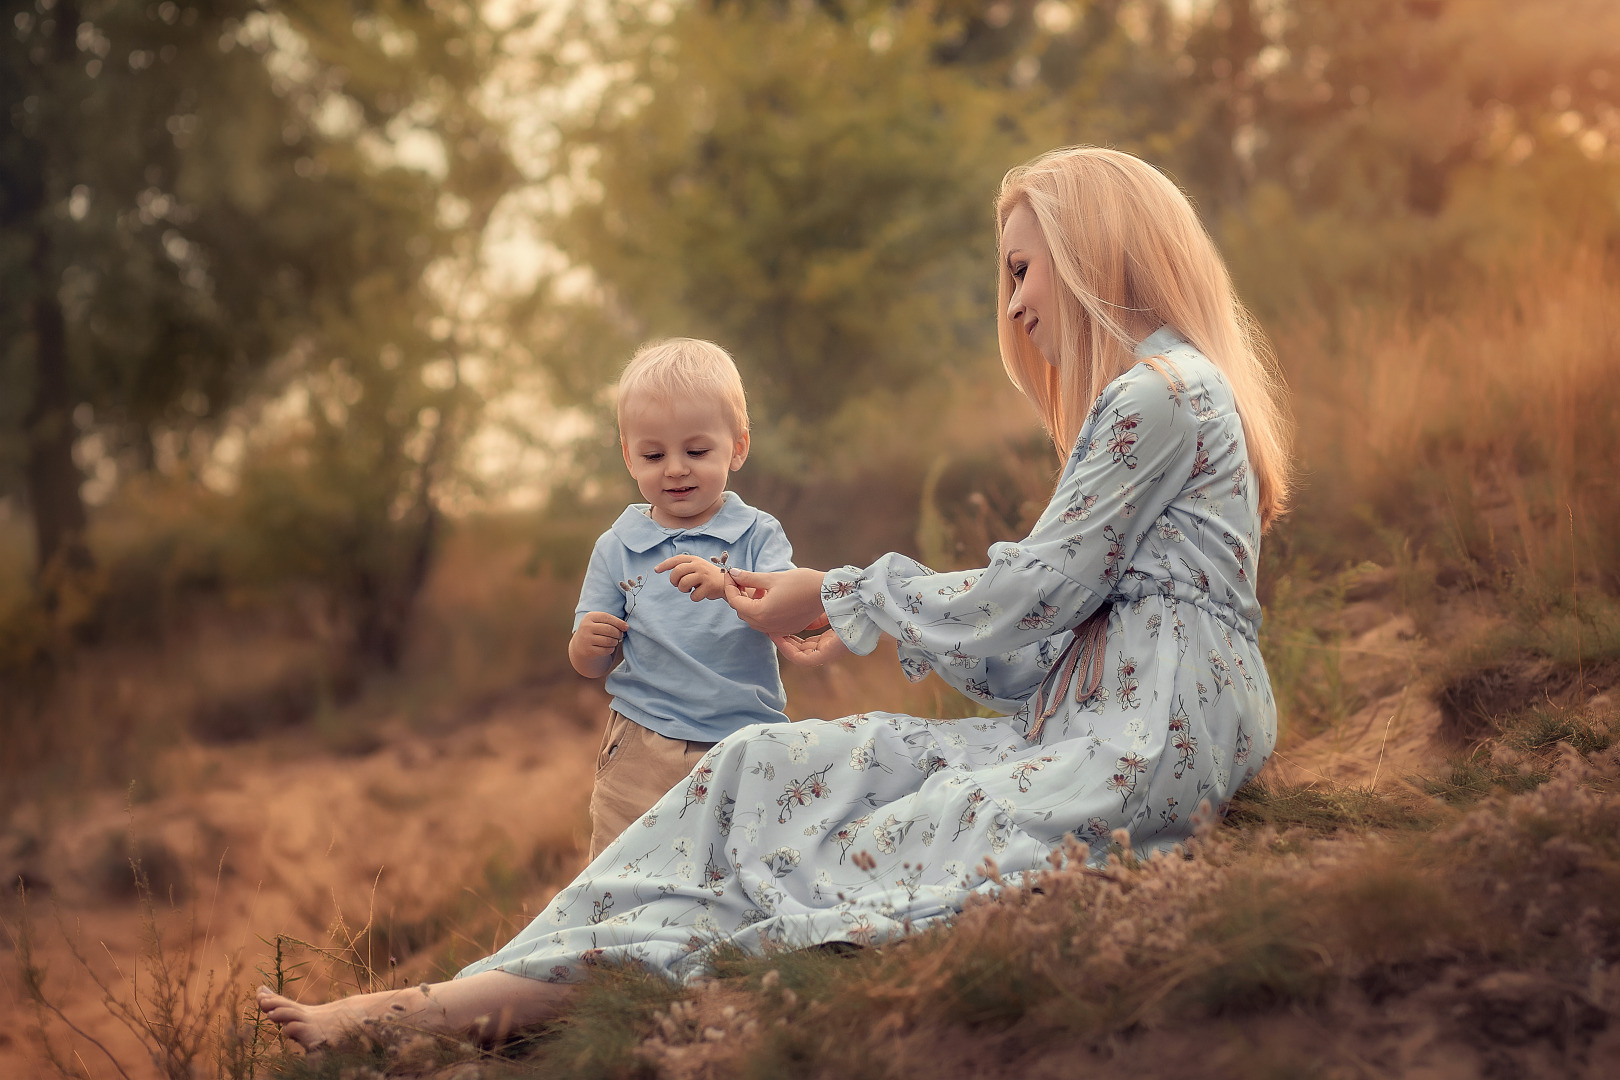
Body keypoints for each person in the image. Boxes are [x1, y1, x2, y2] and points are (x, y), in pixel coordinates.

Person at [257, 145, 1291, 1051]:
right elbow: (1043, 638)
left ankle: (489, 1005)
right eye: (1006, 274)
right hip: (1103, 719)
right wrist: (835, 607)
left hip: (1143, 739)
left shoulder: (1156, 395)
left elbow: (1035, 593)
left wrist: (840, 594)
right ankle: (484, 989)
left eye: (1024, 268)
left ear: (1095, 247)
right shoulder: (1168, 391)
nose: (1014, 302)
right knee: (765, 760)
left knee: (851, 853)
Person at [569, 337, 795, 860]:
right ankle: (622, 941)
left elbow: (790, 614)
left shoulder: (758, 534)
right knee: (625, 865)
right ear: (629, 456)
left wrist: (728, 585)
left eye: (696, 451)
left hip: (741, 736)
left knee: (739, 864)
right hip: (642, 740)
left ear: (737, 447)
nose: (674, 468)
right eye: (653, 454)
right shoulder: (618, 546)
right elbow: (588, 663)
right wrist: (588, 643)